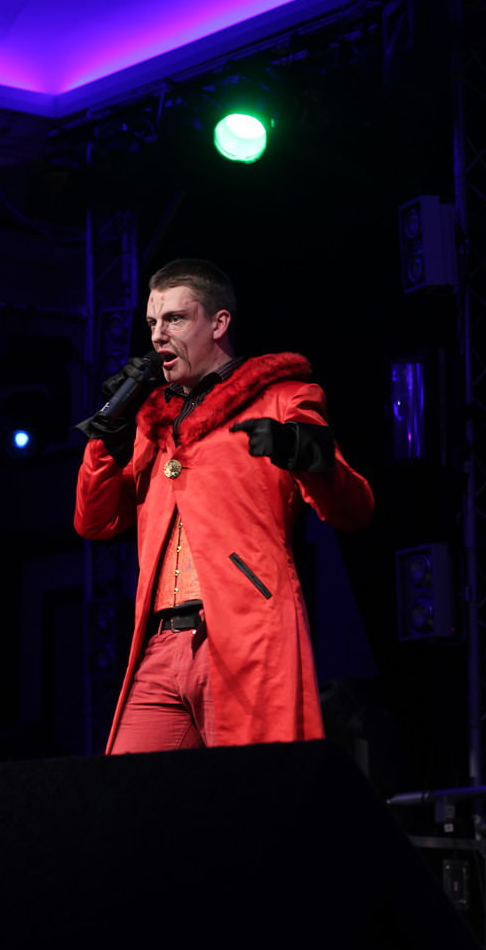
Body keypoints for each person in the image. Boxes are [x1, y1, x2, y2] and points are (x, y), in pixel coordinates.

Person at [74, 258, 374, 753]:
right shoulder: (152, 423)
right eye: (152, 322)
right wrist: (105, 440)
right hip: (158, 645)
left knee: (251, 791)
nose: (158, 335)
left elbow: (354, 509)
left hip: (242, 636)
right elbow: (95, 521)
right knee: (123, 793)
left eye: (175, 318)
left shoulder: (281, 399)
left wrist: (304, 453)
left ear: (219, 323)